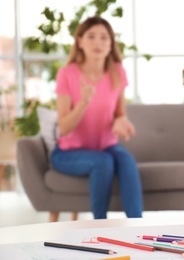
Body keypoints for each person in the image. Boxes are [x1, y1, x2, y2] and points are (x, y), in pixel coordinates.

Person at [51, 16, 143, 219]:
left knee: (126, 160)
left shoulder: (117, 72)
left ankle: (138, 227)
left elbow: (120, 113)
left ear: (111, 44)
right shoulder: (67, 74)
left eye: (104, 37)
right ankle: (99, 226)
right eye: (91, 36)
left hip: (106, 146)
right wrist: (84, 101)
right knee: (103, 162)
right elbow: (64, 128)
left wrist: (121, 121)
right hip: (68, 152)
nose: (98, 42)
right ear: (80, 42)